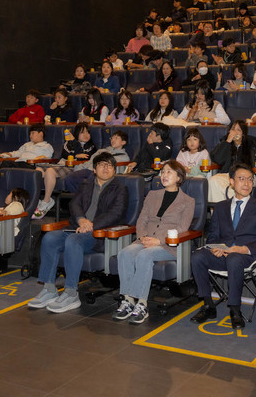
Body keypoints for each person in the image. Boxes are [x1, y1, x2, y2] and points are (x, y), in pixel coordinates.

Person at [27, 153, 129, 313]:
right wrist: (82, 220)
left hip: (100, 234)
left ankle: (71, 293)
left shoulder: (120, 189)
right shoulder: (86, 184)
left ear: (114, 170)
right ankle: (49, 289)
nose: (106, 168)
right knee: (50, 238)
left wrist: (92, 225)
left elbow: (116, 214)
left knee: (73, 240)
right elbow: (74, 204)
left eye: (110, 165)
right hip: (78, 228)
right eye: (102, 164)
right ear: (94, 169)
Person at [189, 163, 256, 329]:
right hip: (223, 254)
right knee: (197, 256)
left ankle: (235, 310)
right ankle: (208, 305)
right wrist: (215, 248)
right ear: (232, 182)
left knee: (234, 259)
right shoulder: (221, 207)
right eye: (241, 179)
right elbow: (212, 236)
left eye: (250, 179)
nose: (247, 183)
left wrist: (240, 249)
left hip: (247, 256)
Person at [111, 161, 195, 324]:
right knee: (124, 253)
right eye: (163, 172)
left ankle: (142, 304)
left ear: (179, 177)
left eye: (169, 172)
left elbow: (182, 227)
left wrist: (159, 240)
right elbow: (142, 219)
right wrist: (143, 237)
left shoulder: (188, 201)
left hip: (168, 245)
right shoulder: (152, 195)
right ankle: (128, 300)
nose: (164, 175)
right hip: (145, 239)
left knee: (144, 255)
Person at [34, 122, 96, 219]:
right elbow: (65, 155)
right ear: (76, 133)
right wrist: (76, 154)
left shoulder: (91, 146)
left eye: (88, 132)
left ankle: (46, 201)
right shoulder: (68, 143)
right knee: (38, 170)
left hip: (75, 168)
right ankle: (36, 201)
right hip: (62, 165)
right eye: (82, 132)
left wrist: (75, 144)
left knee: (50, 172)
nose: (86, 135)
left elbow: (85, 157)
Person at [209, 121, 256, 202]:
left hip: (246, 175)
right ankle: (219, 209)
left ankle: (236, 208)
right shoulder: (225, 144)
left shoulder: (252, 146)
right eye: (233, 129)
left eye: (238, 130)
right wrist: (227, 142)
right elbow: (217, 159)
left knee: (235, 185)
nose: (235, 132)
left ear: (243, 133)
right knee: (213, 180)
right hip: (227, 174)